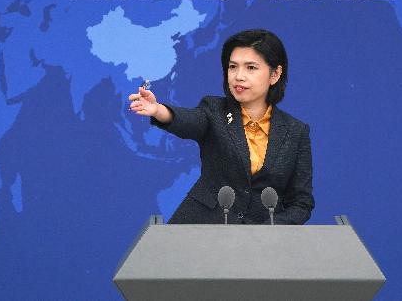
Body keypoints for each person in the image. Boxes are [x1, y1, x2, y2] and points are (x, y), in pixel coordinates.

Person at [129, 29, 314, 224]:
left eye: (251, 67)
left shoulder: (296, 131)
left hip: (262, 238)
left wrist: (268, 230)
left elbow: (301, 203)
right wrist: (159, 110)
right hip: (200, 228)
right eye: (233, 67)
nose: (238, 76)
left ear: (275, 74)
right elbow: (189, 121)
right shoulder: (213, 110)